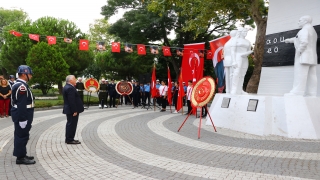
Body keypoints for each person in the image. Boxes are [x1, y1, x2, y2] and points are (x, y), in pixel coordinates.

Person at [284, 15, 318, 96]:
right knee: (312, 76)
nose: (298, 22)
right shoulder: (312, 31)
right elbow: (298, 39)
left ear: (305, 21)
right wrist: (289, 40)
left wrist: (299, 51)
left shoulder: (304, 30)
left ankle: (297, 92)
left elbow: (304, 42)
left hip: (303, 56)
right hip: (312, 57)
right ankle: (312, 93)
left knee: (300, 74)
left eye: (300, 20)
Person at [11, 65, 35, 165]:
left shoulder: (20, 84)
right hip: (23, 114)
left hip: (23, 113)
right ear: (24, 75)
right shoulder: (21, 86)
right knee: (22, 135)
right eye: (30, 74)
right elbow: (21, 104)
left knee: (21, 134)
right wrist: (22, 119)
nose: (31, 76)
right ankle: (20, 158)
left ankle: (22, 154)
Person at [230, 27, 253, 95]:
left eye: (246, 32)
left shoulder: (248, 41)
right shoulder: (235, 40)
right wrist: (234, 61)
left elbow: (249, 50)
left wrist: (248, 53)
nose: (246, 33)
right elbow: (232, 51)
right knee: (236, 73)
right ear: (240, 32)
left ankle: (240, 89)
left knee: (242, 74)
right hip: (237, 57)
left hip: (245, 58)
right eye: (244, 32)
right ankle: (234, 89)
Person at [62, 75, 84, 144]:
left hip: (70, 109)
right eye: (74, 79)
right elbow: (71, 100)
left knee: (71, 124)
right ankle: (69, 139)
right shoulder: (70, 88)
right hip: (72, 110)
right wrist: (74, 110)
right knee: (71, 124)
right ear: (71, 80)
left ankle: (70, 138)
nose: (76, 80)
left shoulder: (68, 87)